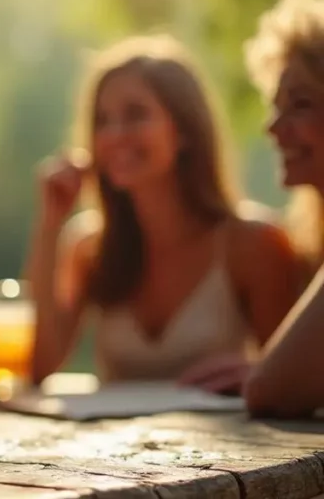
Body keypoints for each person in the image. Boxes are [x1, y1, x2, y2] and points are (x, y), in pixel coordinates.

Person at [27, 34, 304, 394]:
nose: (114, 135)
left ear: (185, 131)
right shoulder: (87, 246)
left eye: (135, 114)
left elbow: (294, 382)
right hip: (113, 448)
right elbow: (39, 366)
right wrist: (50, 223)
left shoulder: (253, 242)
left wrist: (260, 370)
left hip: (230, 449)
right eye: (102, 120)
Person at [242, 0, 324, 417]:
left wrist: (262, 372)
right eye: (276, 105)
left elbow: (271, 391)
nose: (274, 128)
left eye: (301, 104)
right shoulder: (304, 242)